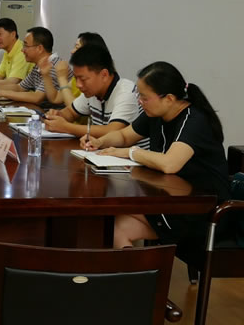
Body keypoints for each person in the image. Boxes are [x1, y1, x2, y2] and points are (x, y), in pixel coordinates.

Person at [82, 62, 231, 249]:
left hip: (201, 210)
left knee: (110, 214)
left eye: (144, 97)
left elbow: (170, 164)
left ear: (169, 98)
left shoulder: (193, 120)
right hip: (171, 199)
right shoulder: (156, 113)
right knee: (116, 227)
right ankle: (134, 269)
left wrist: (131, 152)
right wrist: (99, 142)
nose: (140, 101)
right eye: (139, 95)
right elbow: (124, 136)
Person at [43, 45, 146, 147]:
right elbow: (70, 112)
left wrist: (66, 127)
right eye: (76, 78)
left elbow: (113, 130)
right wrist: (57, 116)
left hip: (132, 155)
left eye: (83, 79)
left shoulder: (126, 92)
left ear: (104, 75)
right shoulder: (92, 92)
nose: (78, 85)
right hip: (103, 151)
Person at [0, 27, 70, 105]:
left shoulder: (54, 65)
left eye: (26, 46)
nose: (22, 50)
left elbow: (37, 97)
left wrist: (0, 92)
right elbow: (19, 87)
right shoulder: (38, 65)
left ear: (39, 48)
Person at [49, 32, 107, 107]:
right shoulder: (77, 76)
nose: (72, 51)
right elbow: (55, 99)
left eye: (77, 47)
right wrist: (46, 74)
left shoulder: (95, 79)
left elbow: (75, 109)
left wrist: (62, 78)